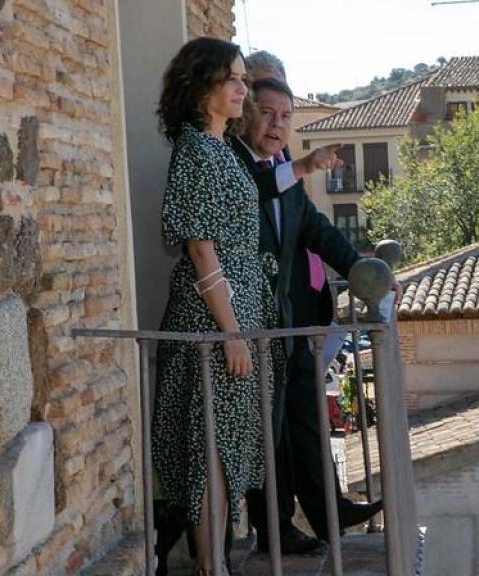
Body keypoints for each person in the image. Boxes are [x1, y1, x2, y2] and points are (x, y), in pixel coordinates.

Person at [231, 73, 382, 553]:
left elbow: (318, 230)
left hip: (287, 322)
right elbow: (252, 193)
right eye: (267, 113)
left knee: (304, 420)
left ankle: (330, 513)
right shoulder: (234, 164)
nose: (277, 125)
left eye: (286, 117)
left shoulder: (282, 167)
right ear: (245, 113)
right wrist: (303, 165)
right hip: (248, 328)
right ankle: (276, 532)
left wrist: (365, 271)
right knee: (266, 432)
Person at [151, 37, 277, 576]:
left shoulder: (218, 148)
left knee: (225, 443)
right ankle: (210, 565)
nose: (241, 89)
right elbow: (200, 248)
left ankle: (215, 561)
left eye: (243, 79)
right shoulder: (197, 150)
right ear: (203, 84)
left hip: (237, 315)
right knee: (212, 444)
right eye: (233, 79)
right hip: (216, 321)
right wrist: (230, 334)